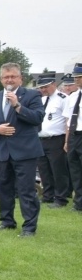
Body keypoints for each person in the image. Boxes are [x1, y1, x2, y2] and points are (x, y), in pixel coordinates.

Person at [0, 62, 44, 237]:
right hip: (1, 151)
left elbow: (37, 118)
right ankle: (7, 221)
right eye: (6, 77)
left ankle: (29, 227)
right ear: (1, 79)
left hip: (25, 152)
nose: (10, 79)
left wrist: (17, 106)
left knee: (26, 190)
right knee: (4, 187)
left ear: (20, 79)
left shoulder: (32, 95)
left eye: (13, 76)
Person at [35, 73, 70, 209]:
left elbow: (67, 121)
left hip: (56, 139)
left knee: (58, 169)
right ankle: (48, 195)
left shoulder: (63, 99)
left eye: (46, 87)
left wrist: (67, 141)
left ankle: (61, 198)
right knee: (44, 169)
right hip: (41, 139)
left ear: (54, 84)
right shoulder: (42, 100)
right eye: (41, 87)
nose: (43, 90)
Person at [63, 63, 82, 213]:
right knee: (75, 170)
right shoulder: (73, 96)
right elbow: (68, 121)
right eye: (75, 77)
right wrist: (67, 141)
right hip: (74, 136)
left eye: (79, 77)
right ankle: (78, 203)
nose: (76, 80)